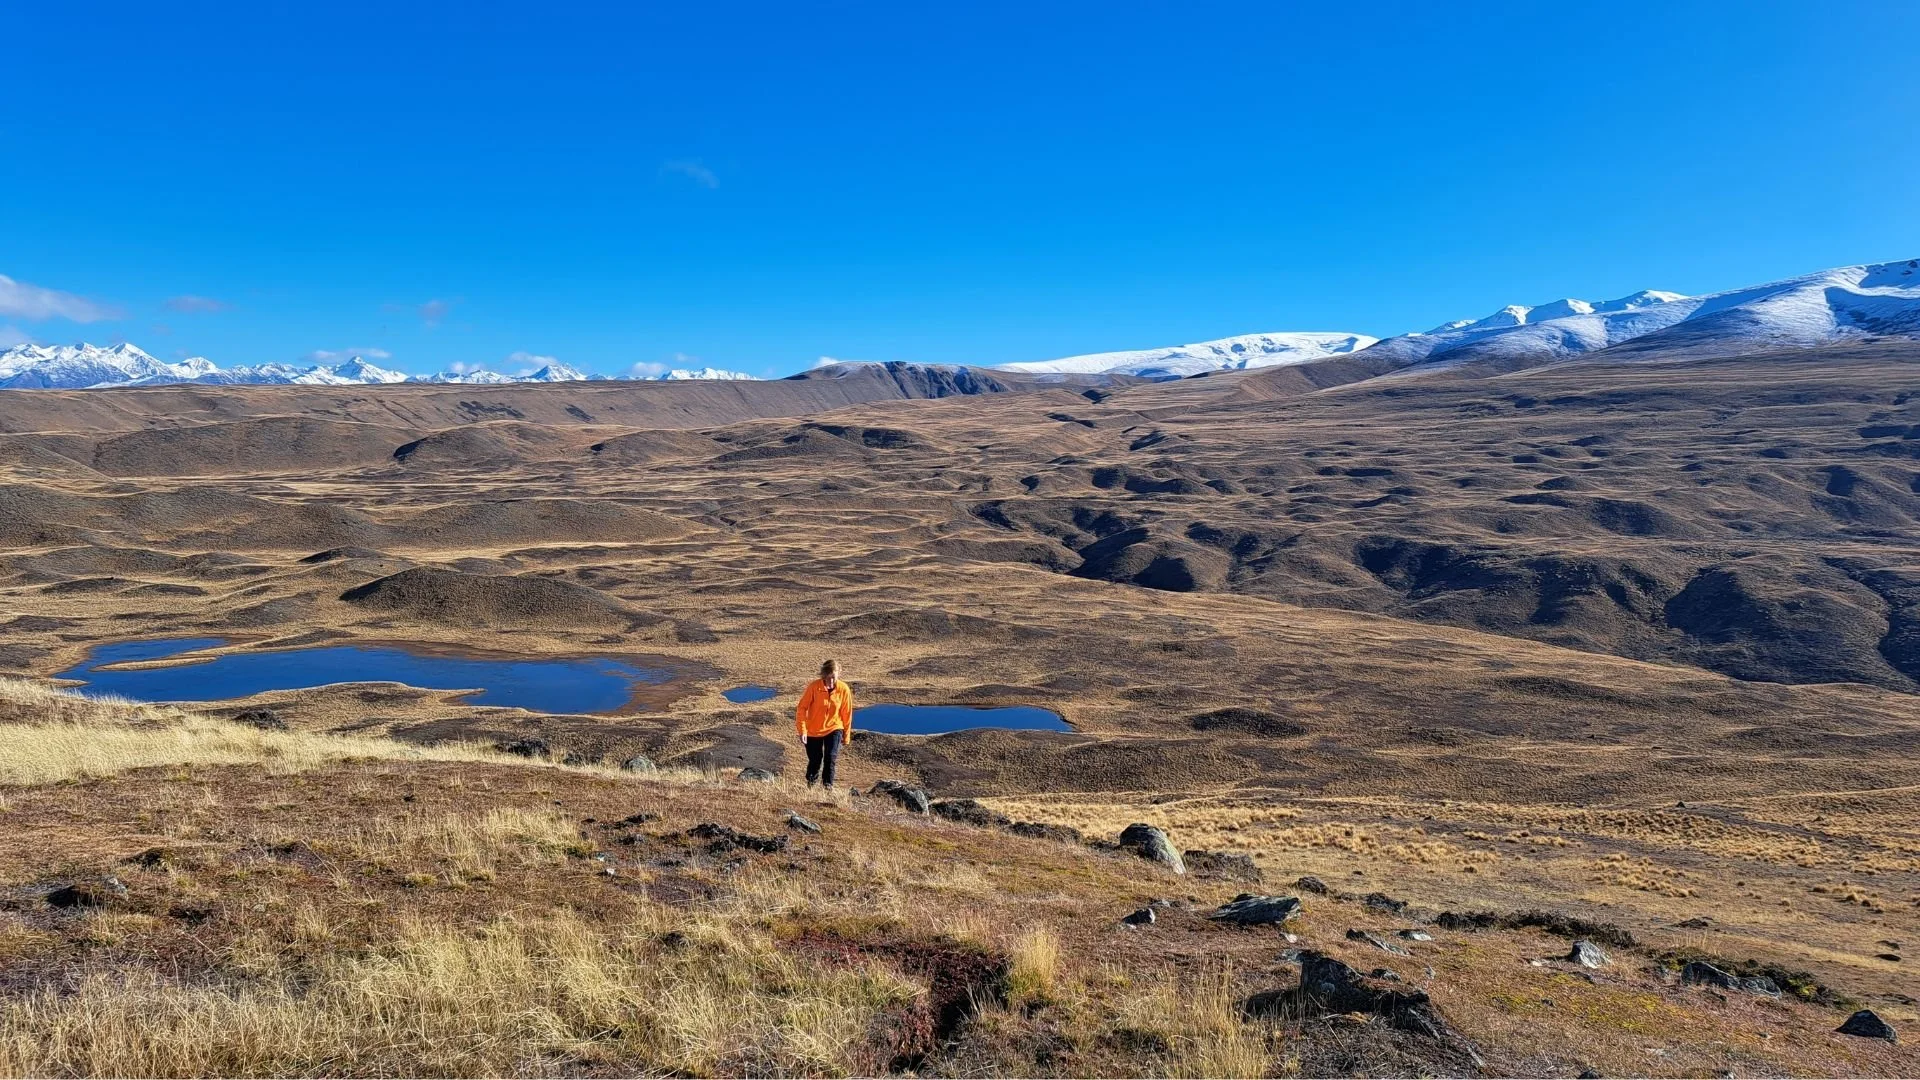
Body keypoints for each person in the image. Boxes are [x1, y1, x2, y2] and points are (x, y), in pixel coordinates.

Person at [795, 659, 853, 790]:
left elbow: (847, 713)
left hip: (834, 727)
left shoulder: (844, 689)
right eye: (828, 678)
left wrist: (846, 735)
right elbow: (802, 708)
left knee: (830, 757)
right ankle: (811, 784)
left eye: (834, 678)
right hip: (813, 730)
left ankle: (828, 786)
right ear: (823, 675)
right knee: (815, 760)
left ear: (838, 674)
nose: (831, 681)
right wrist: (802, 730)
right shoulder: (814, 687)